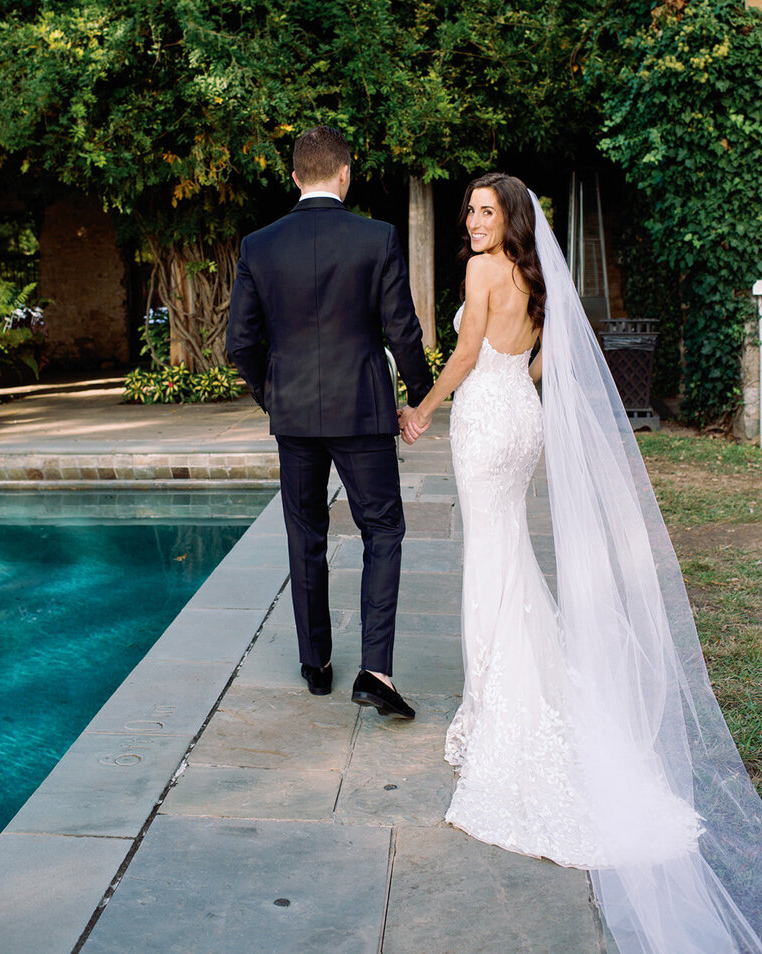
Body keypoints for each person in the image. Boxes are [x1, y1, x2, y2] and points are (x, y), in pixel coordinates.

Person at [401, 172, 762, 954]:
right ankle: (499, 691)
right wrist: (510, 385)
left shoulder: (482, 270)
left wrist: (424, 409)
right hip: (521, 420)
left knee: (490, 560)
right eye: (469, 210)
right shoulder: (535, 276)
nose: (471, 221)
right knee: (508, 555)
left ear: (509, 220)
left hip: (485, 422)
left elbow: (465, 351)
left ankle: (496, 705)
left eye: (485, 211)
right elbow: (542, 362)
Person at [226, 125, 432, 720]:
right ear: (346, 173)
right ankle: (374, 671)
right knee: (383, 531)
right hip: (363, 412)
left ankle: (315, 665)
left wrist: (275, 393)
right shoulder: (377, 238)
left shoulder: (259, 245)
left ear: (295, 177)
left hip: (294, 414)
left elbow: (239, 342)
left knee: (304, 534)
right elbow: (403, 331)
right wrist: (419, 396)